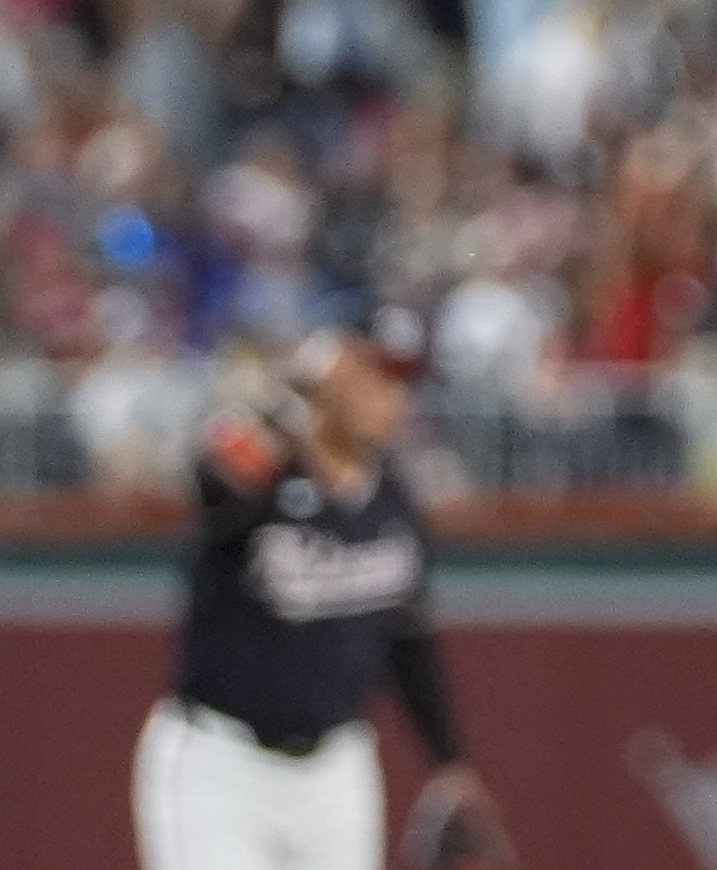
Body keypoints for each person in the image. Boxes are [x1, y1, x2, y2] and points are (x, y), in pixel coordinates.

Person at [132, 328, 511, 870]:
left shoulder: (393, 498)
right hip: (220, 764)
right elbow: (208, 479)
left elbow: (406, 639)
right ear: (325, 387)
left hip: (337, 767)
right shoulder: (264, 478)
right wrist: (280, 403)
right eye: (371, 378)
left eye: (397, 382)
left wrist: (449, 759)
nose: (390, 397)